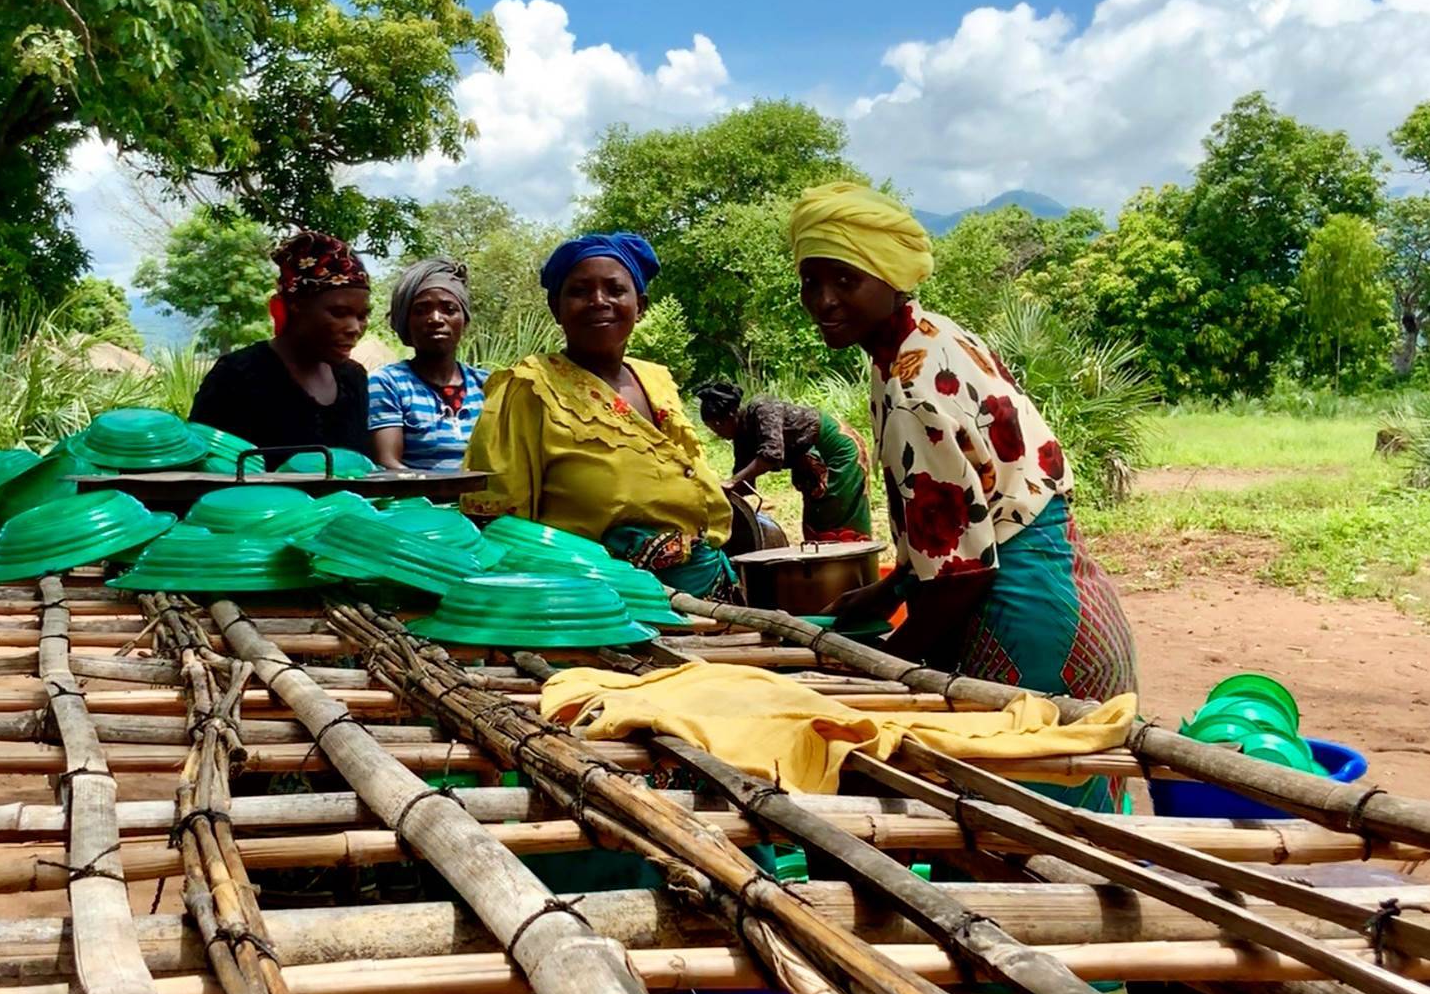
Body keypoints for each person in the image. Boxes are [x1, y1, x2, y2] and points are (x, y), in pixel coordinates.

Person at [787, 182, 1138, 809]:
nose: (823, 301)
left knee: (1025, 823)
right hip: (1063, 588)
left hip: (1023, 619)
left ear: (888, 275)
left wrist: (886, 667)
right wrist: (892, 587)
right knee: (1067, 807)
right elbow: (963, 507)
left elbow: (962, 575)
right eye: (811, 283)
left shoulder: (914, 387)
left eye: (844, 280)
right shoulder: (925, 338)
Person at [462, 231, 736, 599]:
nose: (598, 301)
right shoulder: (529, 388)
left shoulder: (657, 381)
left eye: (615, 289)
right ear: (555, 307)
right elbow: (499, 522)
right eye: (579, 291)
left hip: (706, 594)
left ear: (641, 305)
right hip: (596, 606)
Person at [189, 231, 372, 465]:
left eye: (362, 315)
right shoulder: (237, 376)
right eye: (339, 313)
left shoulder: (353, 379)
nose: (354, 327)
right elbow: (204, 470)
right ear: (296, 305)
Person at [697, 382, 873, 542]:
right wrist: (713, 500)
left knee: (837, 514)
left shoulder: (763, 410)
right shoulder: (742, 437)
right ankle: (829, 572)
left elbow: (771, 456)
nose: (717, 433)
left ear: (731, 415)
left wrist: (732, 481)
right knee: (816, 521)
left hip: (837, 451)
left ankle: (854, 569)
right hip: (812, 465)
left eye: (718, 425)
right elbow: (745, 485)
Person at [367, 258, 488, 472]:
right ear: (405, 322)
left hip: (483, 502)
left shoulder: (488, 385)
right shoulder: (388, 384)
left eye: (449, 309)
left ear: (465, 321)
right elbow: (388, 464)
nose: (435, 319)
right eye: (421, 310)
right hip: (416, 503)